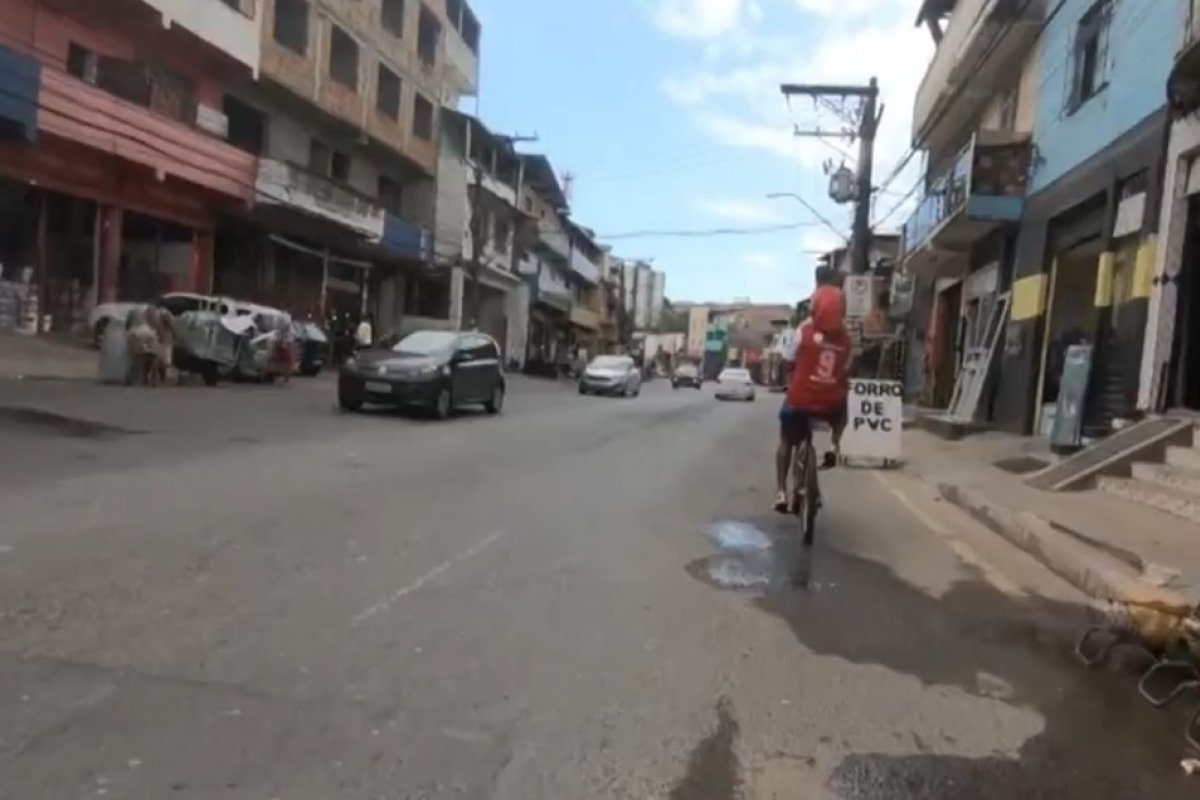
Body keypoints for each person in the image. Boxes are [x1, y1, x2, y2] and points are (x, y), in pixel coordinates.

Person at [774, 267, 851, 513]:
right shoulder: (846, 338)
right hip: (830, 404)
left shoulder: (803, 331)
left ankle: (781, 492)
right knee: (843, 400)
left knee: (786, 440)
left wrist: (789, 375)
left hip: (800, 399)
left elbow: (787, 359)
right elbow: (846, 367)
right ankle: (834, 445)